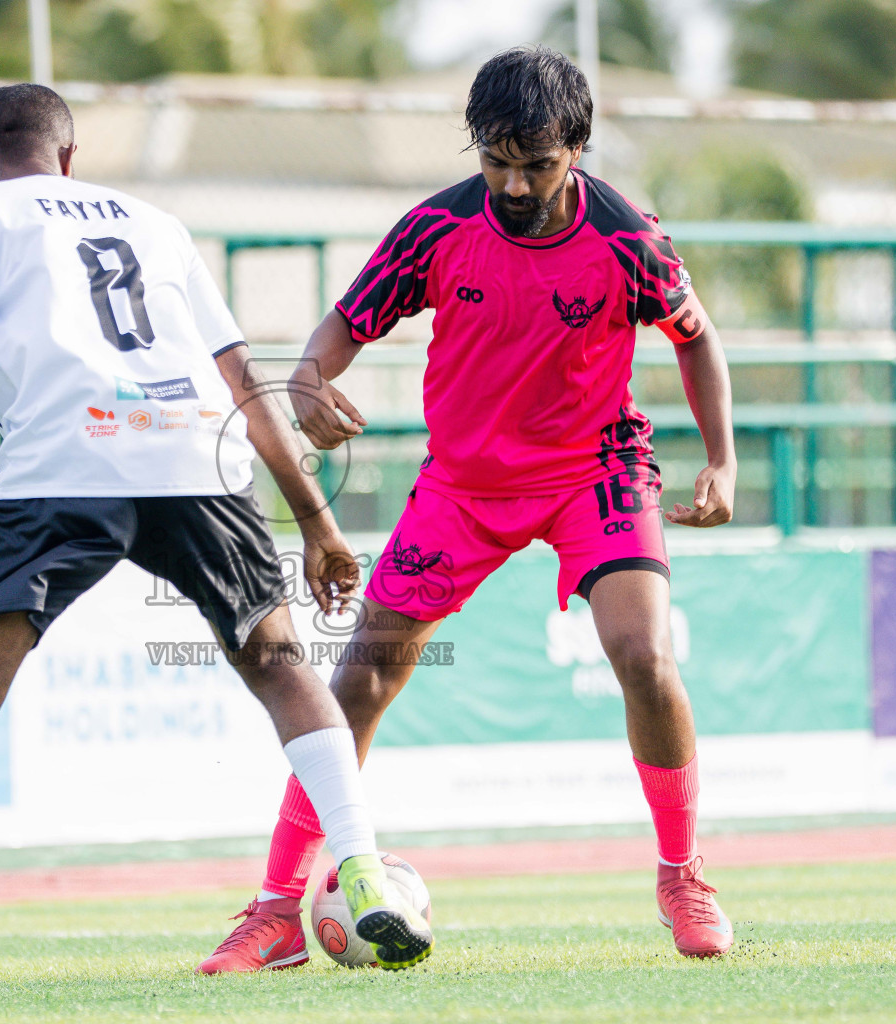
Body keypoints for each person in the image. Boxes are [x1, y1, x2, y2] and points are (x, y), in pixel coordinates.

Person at [0, 84, 432, 1011]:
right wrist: (315, 518)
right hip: (191, 452)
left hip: (61, 462)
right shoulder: (154, 222)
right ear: (70, 159)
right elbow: (240, 379)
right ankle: (363, 871)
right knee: (280, 664)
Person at [200, 46, 738, 974]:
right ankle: (280, 906)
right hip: (464, 483)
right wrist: (309, 381)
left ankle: (684, 875)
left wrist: (721, 460)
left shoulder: (630, 240)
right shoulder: (438, 228)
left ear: (576, 147)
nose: (514, 182)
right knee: (359, 681)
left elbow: (698, 339)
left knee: (645, 655)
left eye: (536, 162)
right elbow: (339, 330)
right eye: (496, 161)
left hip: (593, 471)